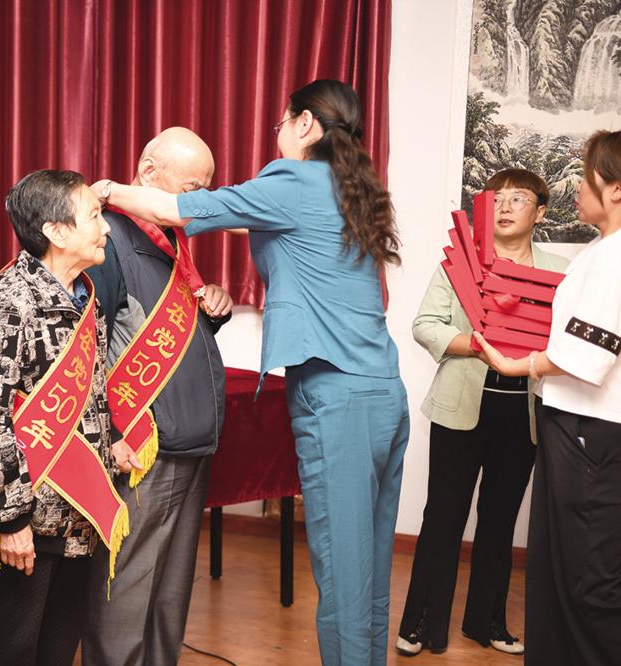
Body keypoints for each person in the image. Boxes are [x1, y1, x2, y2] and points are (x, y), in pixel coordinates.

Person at [93, 79, 409, 666]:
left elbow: (176, 209)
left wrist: (103, 192)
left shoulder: (294, 179)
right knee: (367, 569)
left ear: (306, 124)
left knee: (343, 576)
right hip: (383, 394)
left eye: (282, 123)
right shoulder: (346, 188)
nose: (278, 134)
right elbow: (230, 215)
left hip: (338, 398)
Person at [0, 170, 131, 665]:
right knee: (14, 649)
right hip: (32, 519)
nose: (107, 228)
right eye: (94, 216)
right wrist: (11, 518)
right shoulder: (5, 303)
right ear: (55, 231)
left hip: (81, 512)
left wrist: (112, 440)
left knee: (59, 648)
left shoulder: (84, 296)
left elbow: (92, 392)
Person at [396, 169, 569, 657]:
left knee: (500, 520)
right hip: (460, 407)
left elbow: (565, 340)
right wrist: (477, 343)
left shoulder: (559, 272)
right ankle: (421, 623)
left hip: (523, 411)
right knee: (443, 516)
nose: (507, 207)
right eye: (498, 198)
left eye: (520, 198)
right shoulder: (460, 265)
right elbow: (425, 324)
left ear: (540, 211)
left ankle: (487, 621)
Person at [82, 127, 232, 666]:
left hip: (188, 442)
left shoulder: (170, 240)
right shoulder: (108, 241)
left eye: (207, 189)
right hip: (144, 447)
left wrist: (215, 308)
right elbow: (87, 351)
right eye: (192, 188)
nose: (200, 201)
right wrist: (111, 434)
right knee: (127, 589)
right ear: (148, 173)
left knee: (170, 590)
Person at [475, 130, 621, 666]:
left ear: (616, 190)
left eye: (587, 177)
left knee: (588, 580)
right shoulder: (601, 252)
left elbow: (590, 352)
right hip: (574, 424)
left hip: (590, 432)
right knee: (560, 567)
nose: (576, 187)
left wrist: (522, 364)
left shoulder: (615, 257)